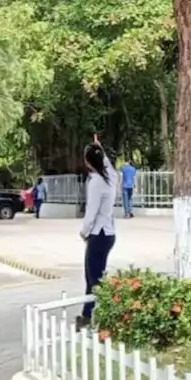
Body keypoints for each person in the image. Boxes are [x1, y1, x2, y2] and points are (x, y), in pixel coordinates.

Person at [77, 142, 119, 332]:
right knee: (95, 277)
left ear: (87, 161)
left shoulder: (96, 183)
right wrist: (101, 150)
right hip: (109, 233)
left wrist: (84, 232)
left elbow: (91, 212)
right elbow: (108, 165)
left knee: (94, 279)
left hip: (98, 234)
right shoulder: (111, 177)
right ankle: (87, 315)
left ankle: (101, 317)